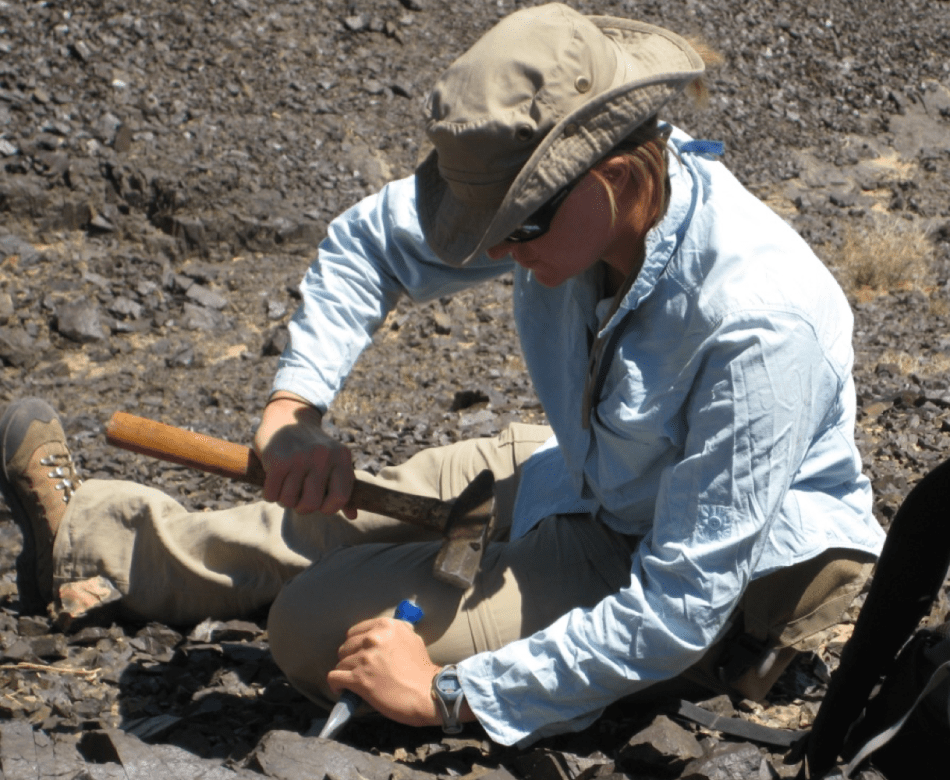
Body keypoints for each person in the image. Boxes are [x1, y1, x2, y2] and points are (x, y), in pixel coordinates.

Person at [0, 4, 884, 746]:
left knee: (311, 627)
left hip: (689, 560)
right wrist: (293, 410)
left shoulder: (759, 322)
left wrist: (448, 695)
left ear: (613, 173)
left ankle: (638, 664)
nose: (492, 250)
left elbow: (680, 602)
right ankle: (85, 545)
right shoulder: (568, 204)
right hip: (587, 468)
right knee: (321, 517)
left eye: (516, 229)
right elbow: (368, 244)